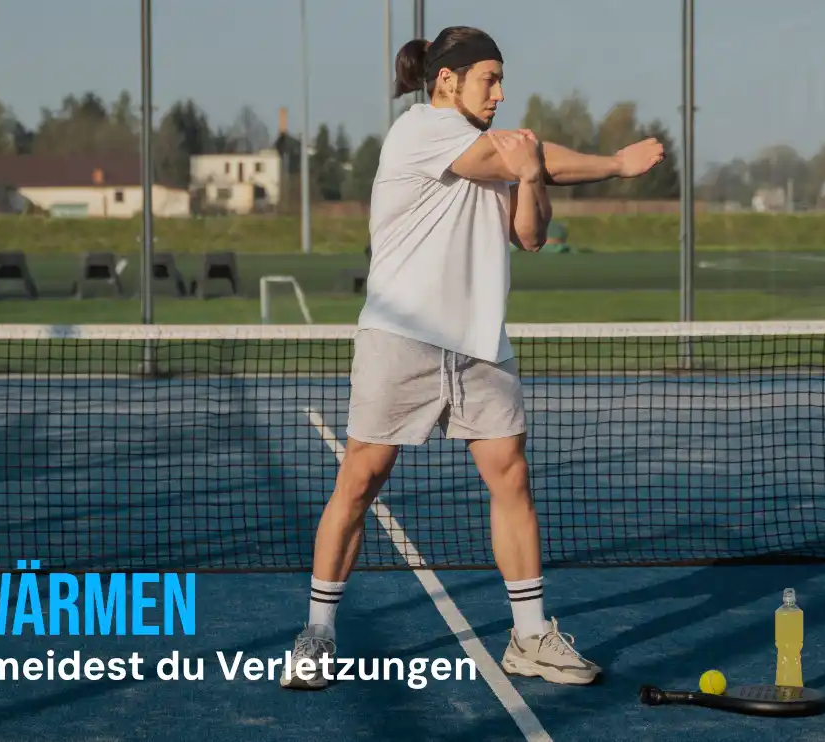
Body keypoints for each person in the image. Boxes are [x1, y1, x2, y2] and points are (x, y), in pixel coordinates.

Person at [280, 25, 664, 690]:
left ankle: (530, 637)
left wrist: (532, 173)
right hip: (401, 340)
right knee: (360, 482)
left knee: (511, 477)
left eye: (502, 79)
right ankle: (317, 633)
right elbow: (525, 156)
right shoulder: (421, 129)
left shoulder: (497, 152)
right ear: (446, 80)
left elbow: (530, 235)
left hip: (481, 345)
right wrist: (616, 164)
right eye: (490, 78)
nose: (500, 92)